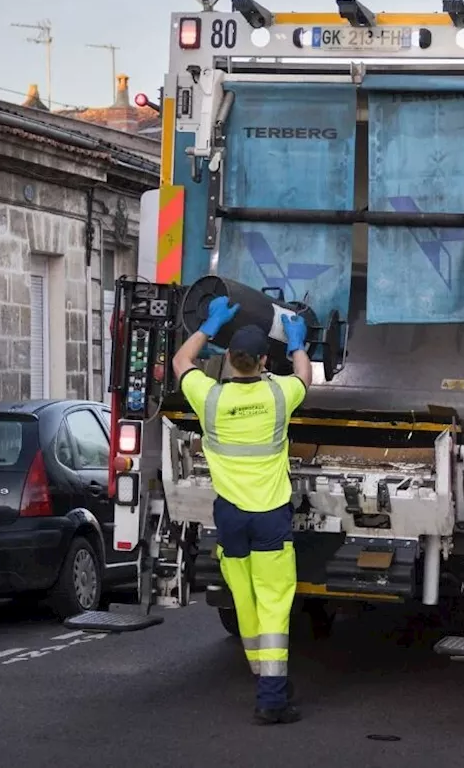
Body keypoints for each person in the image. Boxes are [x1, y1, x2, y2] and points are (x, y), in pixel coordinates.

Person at [171, 296, 314, 725]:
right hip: (269, 515)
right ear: (264, 360)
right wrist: (298, 345)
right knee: (273, 602)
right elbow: (305, 377)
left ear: (228, 359)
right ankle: (271, 698)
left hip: (230, 516)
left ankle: (261, 672)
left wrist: (208, 326)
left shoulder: (209, 397)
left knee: (245, 598)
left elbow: (181, 360)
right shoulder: (279, 395)